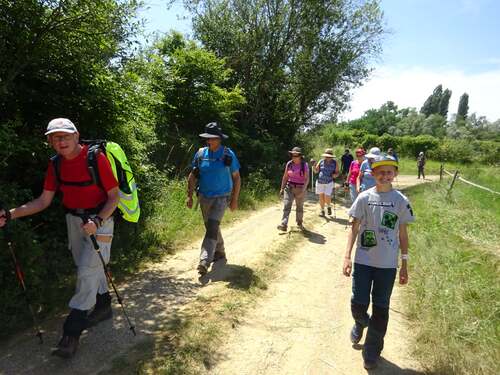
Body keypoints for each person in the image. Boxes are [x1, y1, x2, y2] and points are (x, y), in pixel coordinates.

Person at [0, 118, 120, 358]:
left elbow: (114, 196)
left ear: (76, 136)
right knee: (85, 266)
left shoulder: (96, 159)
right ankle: (104, 304)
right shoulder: (55, 165)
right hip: (73, 221)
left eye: (65, 135)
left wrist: (97, 221)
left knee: (87, 271)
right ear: (50, 142)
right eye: (55, 137)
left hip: (100, 221)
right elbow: (43, 201)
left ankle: (71, 333)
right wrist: (10, 214)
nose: (61, 140)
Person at [343, 154, 415, 369]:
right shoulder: (364, 197)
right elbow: (354, 228)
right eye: (380, 172)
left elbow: (402, 234)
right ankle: (360, 321)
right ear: (372, 174)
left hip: (387, 266)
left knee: (381, 309)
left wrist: (404, 264)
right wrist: (347, 256)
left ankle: (372, 351)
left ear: (395, 174)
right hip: (364, 261)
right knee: (358, 303)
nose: (385, 175)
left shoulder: (401, 201)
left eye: (389, 172)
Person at [186, 122, 241, 276]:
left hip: (222, 197)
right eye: (208, 138)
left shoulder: (228, 154)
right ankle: (220, 252)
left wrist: (234, 199)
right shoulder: (200, 154)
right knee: (211, 227)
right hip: (204, 197)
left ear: (219, 138)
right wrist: (189, 196)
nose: (210, 141)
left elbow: (237, 178)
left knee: (212, 227)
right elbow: (192, 176)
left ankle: (204, 260)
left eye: (213, 138)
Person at [277, 147, 309, 231]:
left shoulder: (304, 165)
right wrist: (282, 188)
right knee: (287, 205)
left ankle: (299, 222)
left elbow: (306, 179)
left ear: (300, 156)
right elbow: (285, 177)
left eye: (296, 155)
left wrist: (303, 190)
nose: (294, 157)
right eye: (292, 155)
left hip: (300, 188)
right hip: (289, 187)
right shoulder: (289, 164)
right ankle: (284, 224)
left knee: (299, 207)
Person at [314, 148, 339, 216]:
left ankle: (328, 206)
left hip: (329, 182)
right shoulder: (321, 161)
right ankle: (322, 211)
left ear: (331, 156)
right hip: (320, 182)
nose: (327, 157)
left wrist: (335, 175)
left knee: (327, 196)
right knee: (321, 196)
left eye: (329, 156)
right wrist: (314, 165)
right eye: (326, 156)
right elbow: (316, 171)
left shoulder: (335, 162)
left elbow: (337, 173)